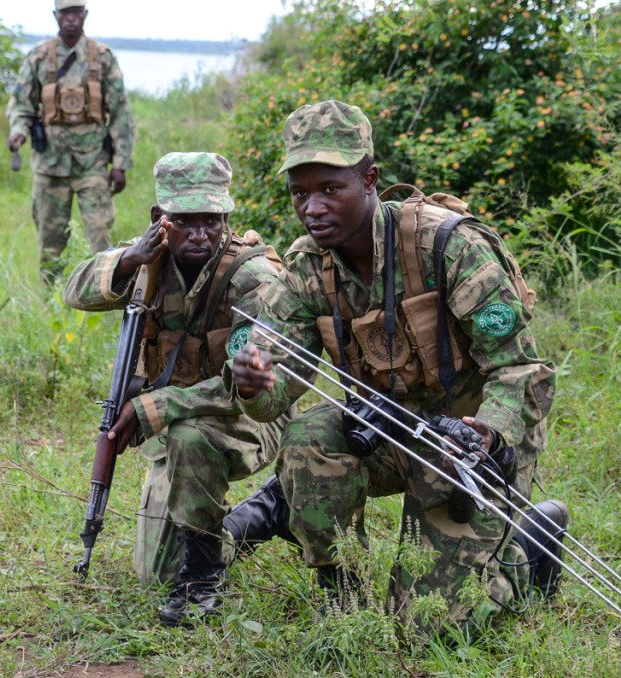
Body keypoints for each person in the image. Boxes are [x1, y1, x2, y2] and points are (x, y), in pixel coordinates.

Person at [227, 100, 567, 639]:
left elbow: (523, 371)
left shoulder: (449, 246)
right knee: (306, 436)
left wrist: (488, 432)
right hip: (388, 432)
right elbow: (276, 390)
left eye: (330, 189)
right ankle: (340, 592)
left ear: (369, 179)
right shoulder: (306, 271)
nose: (312, 207)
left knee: (428, 632)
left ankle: (528, 549)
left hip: (469, 445)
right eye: (300, 193)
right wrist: (253, 385)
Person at [64, 152, 290, 627]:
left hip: (251, 416)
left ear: (226, 217)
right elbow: (74, 291)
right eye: (184, 221)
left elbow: (249, 382)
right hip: (178, 423)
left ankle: (236, 545)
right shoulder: (150, 262)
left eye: (211, 220)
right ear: (159, 220)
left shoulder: (253, 277)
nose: (199, 233)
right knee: (157, 574)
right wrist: (130, 258)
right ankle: (260, 516)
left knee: (191, 439)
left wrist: (156, 405)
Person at [6, 0, 135, 280]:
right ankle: (52, 300)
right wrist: (18, 130)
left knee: (100, 236)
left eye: (77, 12)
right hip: (50, 166)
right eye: (65, 13)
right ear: (56, 16)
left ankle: (105, 292)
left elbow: (121, 112)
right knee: (51, 240)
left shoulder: (102, 57)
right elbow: (21, 104)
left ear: (85, 15)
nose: (71, 19)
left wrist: (121, 163)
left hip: (92, 163)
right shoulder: (39, 57)